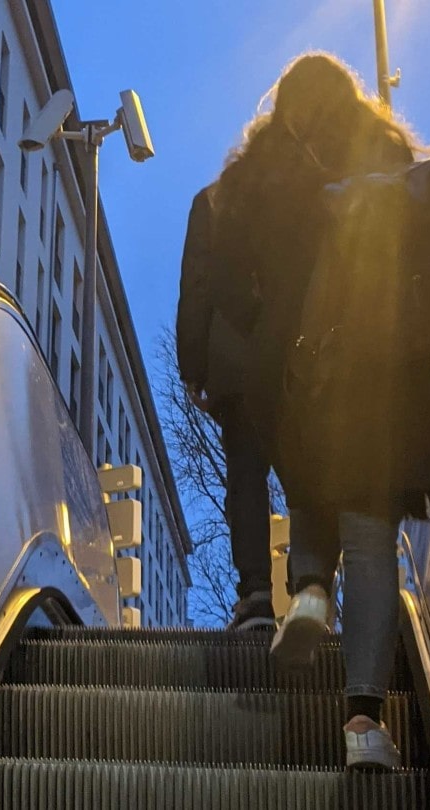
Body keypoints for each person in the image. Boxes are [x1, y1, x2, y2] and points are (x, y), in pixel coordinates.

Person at [210, 52, 430, 771]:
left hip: (290, 366)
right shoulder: (383, 152)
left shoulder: (256, 178)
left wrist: (270, 329)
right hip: (377, 360)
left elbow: (227, 281)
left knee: (315, 485)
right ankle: (363, 726)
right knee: (373, 531)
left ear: (283, 107)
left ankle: (313, 587)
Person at [176, 183, 279, 630]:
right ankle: (314, 587)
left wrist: (194, 367)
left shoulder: (214, 200)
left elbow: (196, 286)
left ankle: (256, 596)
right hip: (299, 358)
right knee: (309, 480)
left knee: (246, 475)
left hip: (238, 364)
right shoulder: (301, 195)